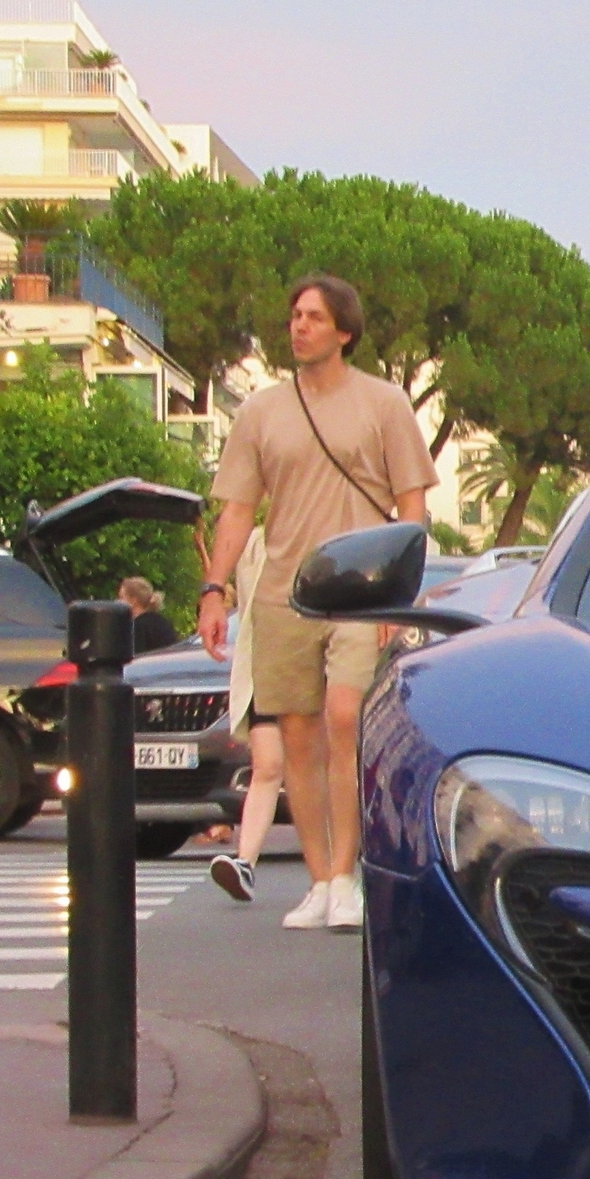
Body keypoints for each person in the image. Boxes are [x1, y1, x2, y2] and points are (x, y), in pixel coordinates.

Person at [198, 276, 437, 931]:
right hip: (283, 593)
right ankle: (322, 878)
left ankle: (349, 874)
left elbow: (413, 503)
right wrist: (215, 589)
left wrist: (399, 591)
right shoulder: (261, 412)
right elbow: (238, 510)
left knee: (343, 717)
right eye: (294, 315)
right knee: (296, 735)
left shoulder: (383, 403)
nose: (298, 326)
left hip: (360, 593)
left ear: (344, 332)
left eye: (313, 317)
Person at [208, 529, 284, 902]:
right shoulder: (254, 540)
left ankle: (339, 876)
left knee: (329, 768)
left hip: (318, 665)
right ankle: (244, 862)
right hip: (267, 666)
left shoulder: (327, 523)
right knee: (267, 766)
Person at [118, 577, 176, 654]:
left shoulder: (137, 627)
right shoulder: (163, 622)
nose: (118, 601)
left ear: (133, 600)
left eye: (121, 597)